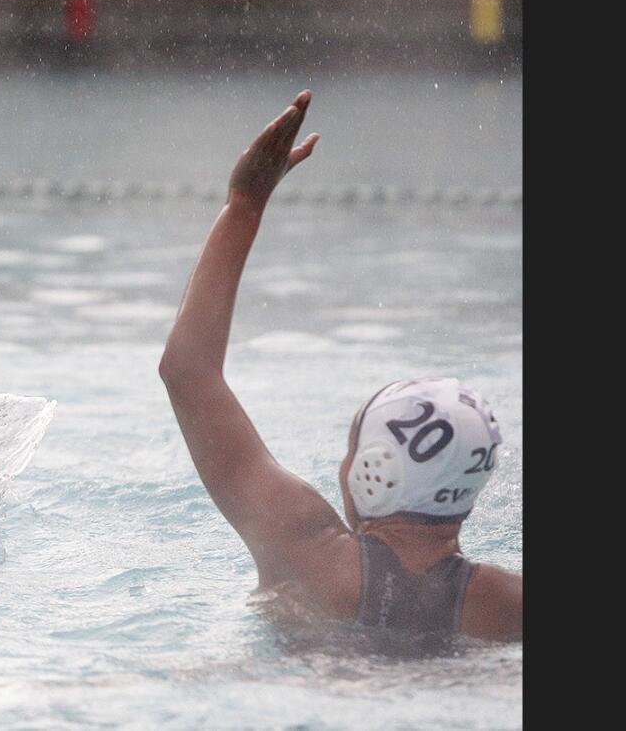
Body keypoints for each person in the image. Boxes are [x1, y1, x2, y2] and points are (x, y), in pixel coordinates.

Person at [158, 91, 521, 643]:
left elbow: (187, 371)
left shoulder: (306, 556)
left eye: (353, 447)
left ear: (375, 472)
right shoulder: (507, 605)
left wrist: (244, 205)